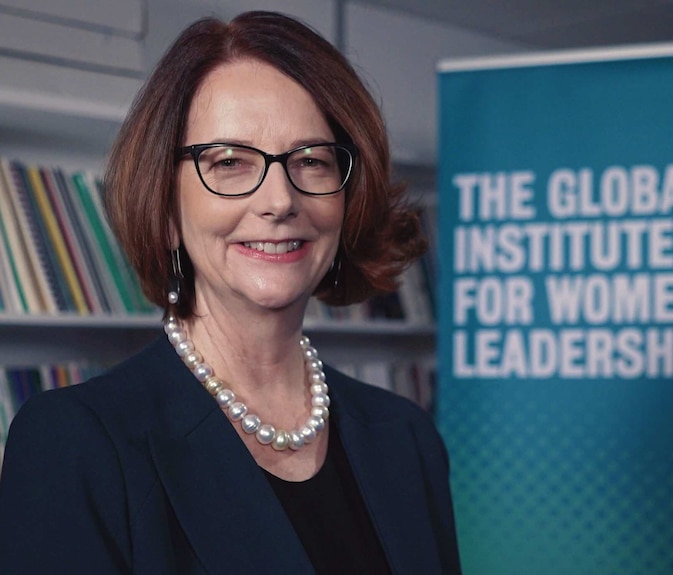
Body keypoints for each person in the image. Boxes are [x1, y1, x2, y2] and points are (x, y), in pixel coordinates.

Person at [0, 10, 460, 574]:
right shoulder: (77, 444)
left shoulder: (407, 438)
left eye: (310, 161)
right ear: (165, 204)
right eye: (229, 162)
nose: (278, 200)